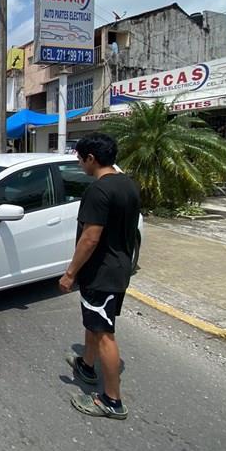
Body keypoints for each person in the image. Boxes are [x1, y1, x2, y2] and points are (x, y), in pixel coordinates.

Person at [59, 132, 141, 420]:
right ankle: (87, 365)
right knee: (94, 323)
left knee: (105, 333)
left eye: (80, 160)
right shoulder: (127, 184)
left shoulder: (98, 191)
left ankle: (111, 400)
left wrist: (70, 273)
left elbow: (90, 238)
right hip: (119, 268)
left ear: (91, 159)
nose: (80, 165)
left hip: (102, 273)